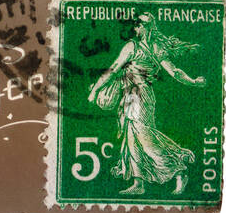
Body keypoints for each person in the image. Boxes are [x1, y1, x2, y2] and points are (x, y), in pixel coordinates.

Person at [87, 12, 206, 196]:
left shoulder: (144, 47)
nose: (137, 27)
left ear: (146, 26)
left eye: (140, 24)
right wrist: (193, 81)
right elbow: (114, 69)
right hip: (131, 96)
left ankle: (178, 168)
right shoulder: (137, 46)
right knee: (132, 138)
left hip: (140, 96)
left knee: (144, 137)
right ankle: (138, 182)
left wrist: (193, 81)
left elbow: (173, 71)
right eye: (137, 24)